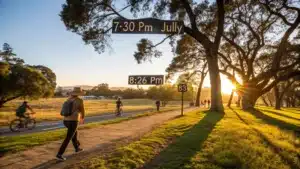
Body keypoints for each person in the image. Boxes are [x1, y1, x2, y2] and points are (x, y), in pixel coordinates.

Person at [56, 87, 85, 161]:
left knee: (74, 134)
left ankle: (77, 148)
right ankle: (59, 154)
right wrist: (82, 118)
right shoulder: (79, 100)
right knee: (68, 138)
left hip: (65, 121)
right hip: (73, 121)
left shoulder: (68, 99)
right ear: (79, 93)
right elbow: (82, 110)